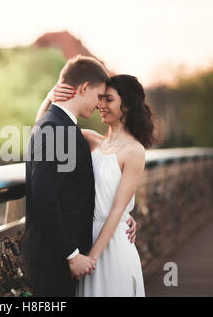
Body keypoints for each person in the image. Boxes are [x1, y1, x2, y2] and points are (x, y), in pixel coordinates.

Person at [21, 55, 138, 297]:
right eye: (98, 96)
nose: (99, 105)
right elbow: (45, 197)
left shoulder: (65, 128)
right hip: (55, 258)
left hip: (67, 254)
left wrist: (124, 213)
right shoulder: (57, 129)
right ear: (84, 88)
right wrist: (72, 255)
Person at [50, 74, 159, 296]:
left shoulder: (134, 151)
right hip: (85, 237)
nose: (100, 105)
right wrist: (51, 98)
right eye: (100, 99)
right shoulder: (92, 140)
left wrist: (91, 259)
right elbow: (48, 130)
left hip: (111, 248)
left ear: (126, 105)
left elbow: (118, 209)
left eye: (108, 99)